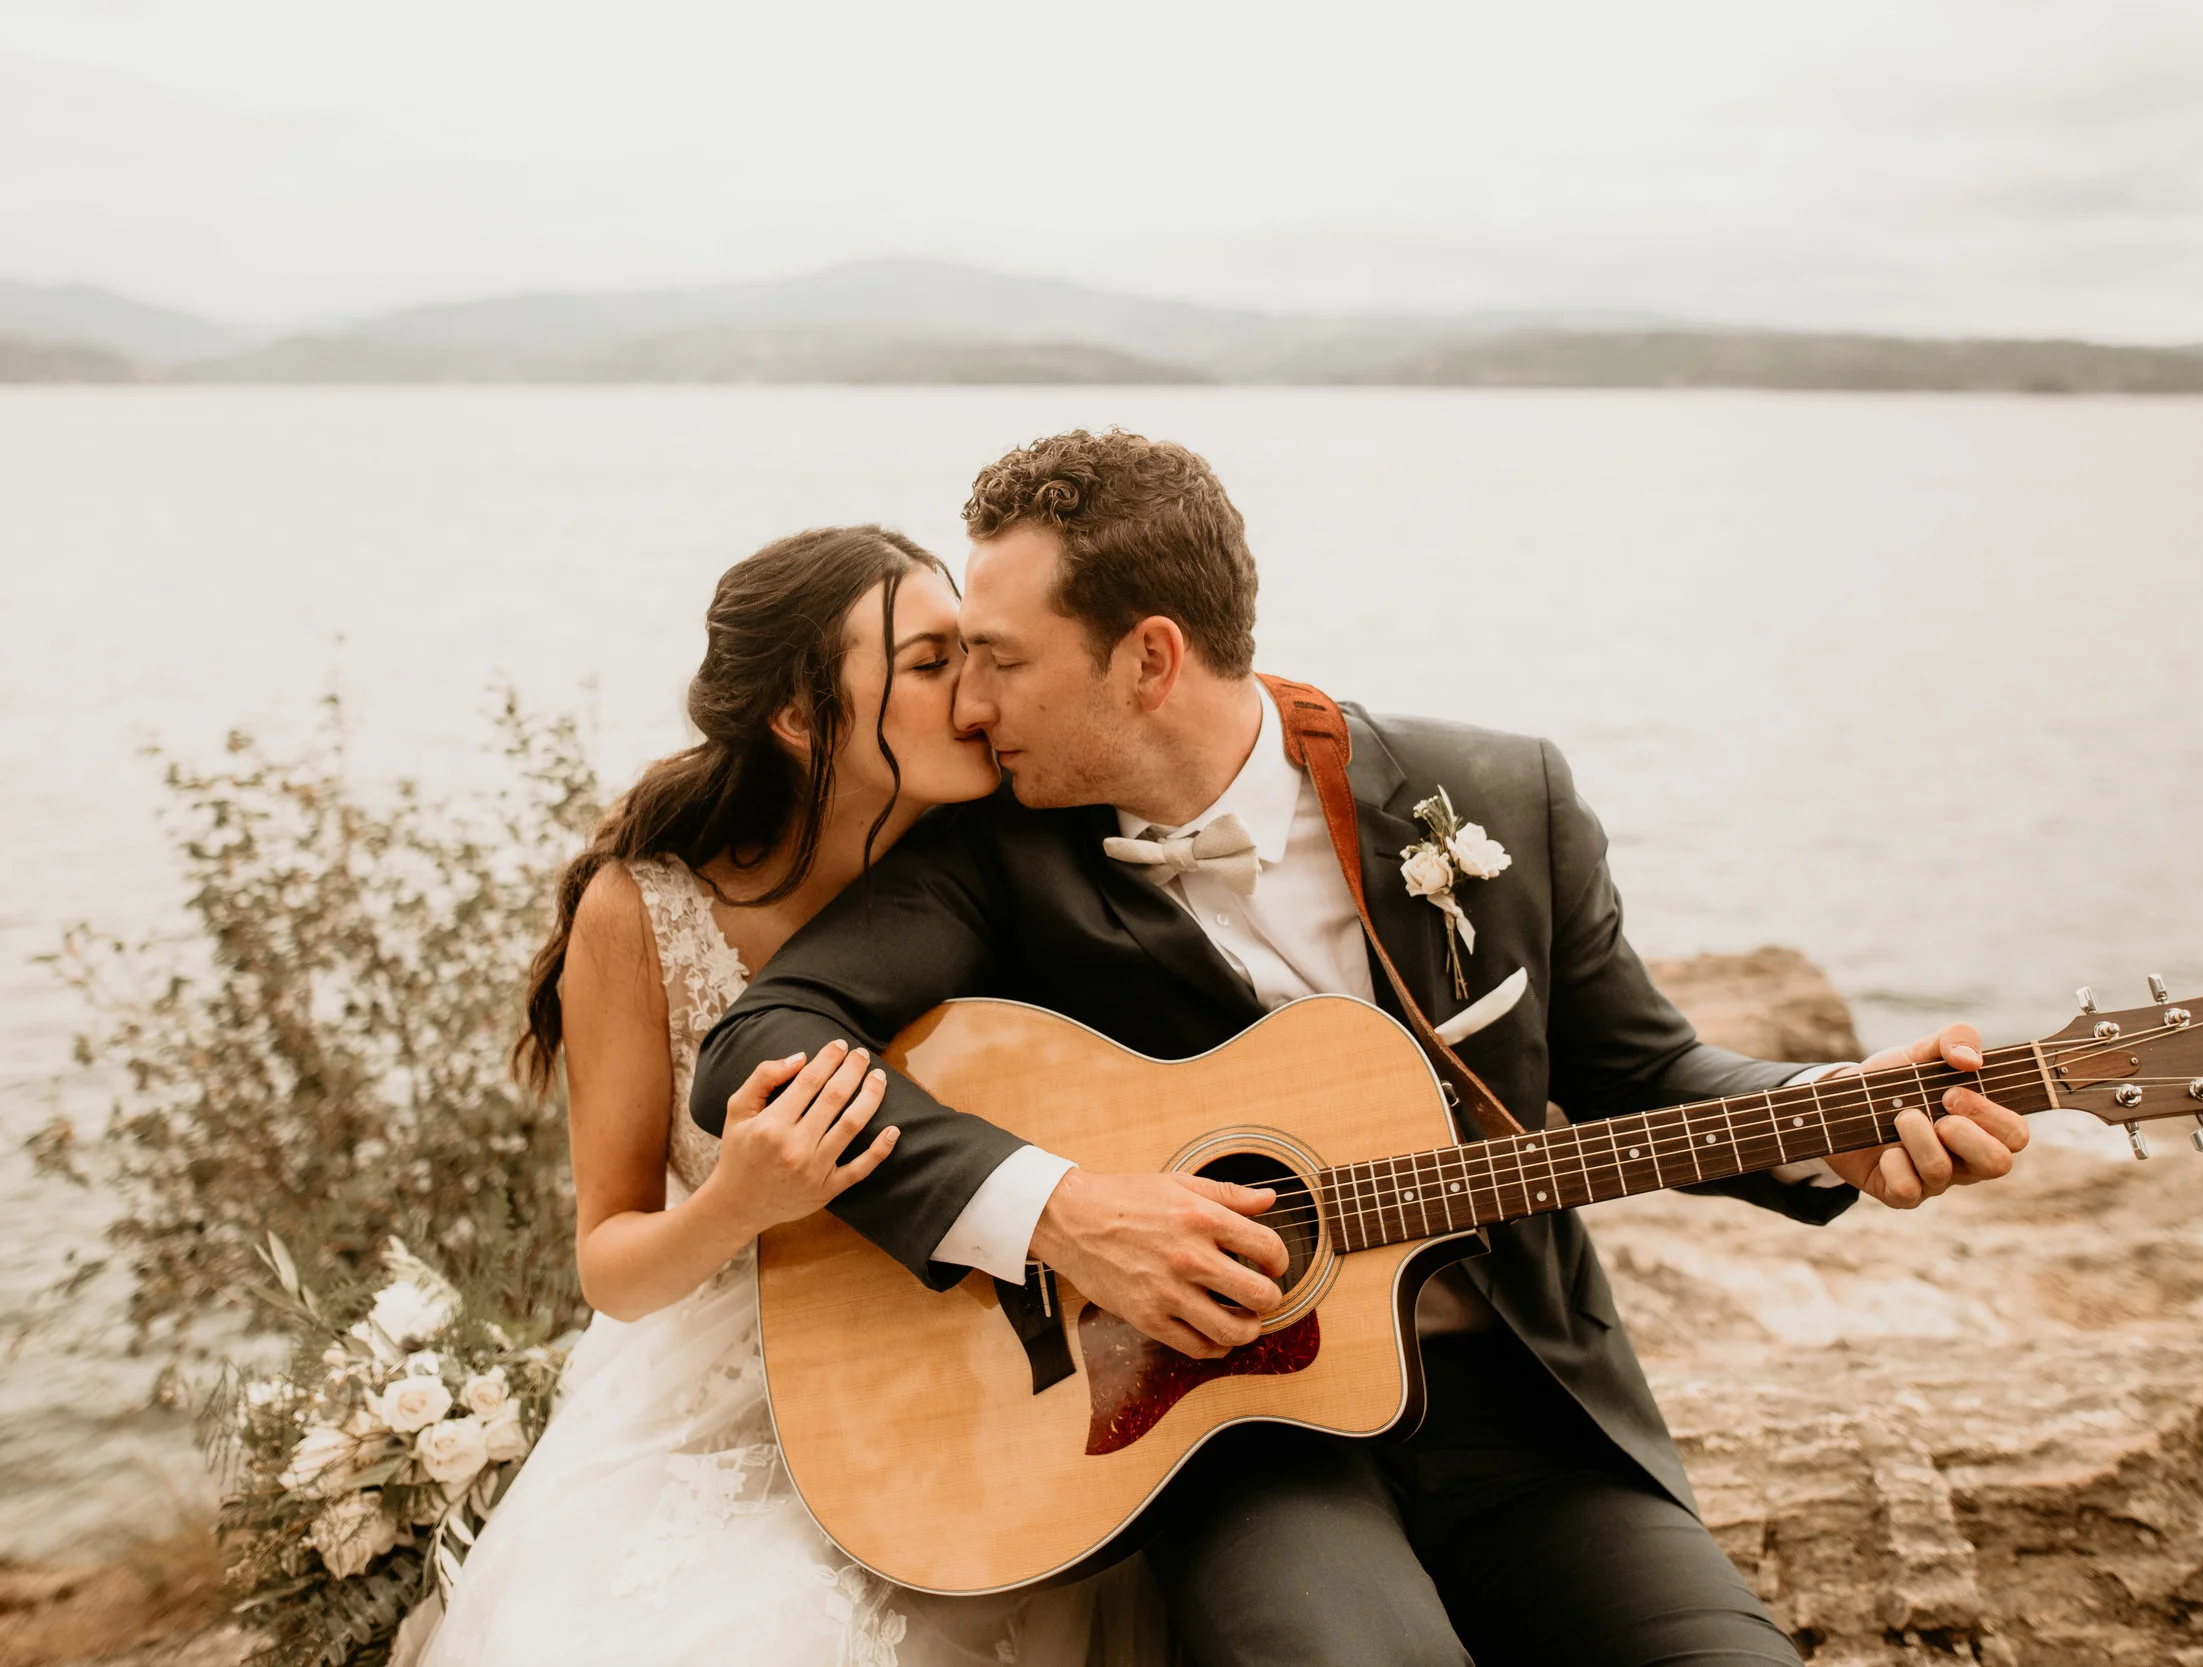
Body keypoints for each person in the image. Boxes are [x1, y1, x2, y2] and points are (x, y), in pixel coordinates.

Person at [691, 431, 2034, 1667]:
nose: (971, 705)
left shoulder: (1501, 798)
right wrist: (1062, 1209)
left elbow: (1648, 1075)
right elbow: (763, 1041)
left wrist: (1822, 1111)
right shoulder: (998, 859)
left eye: (1004, 657)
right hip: (1247, 1437)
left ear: (1149, 658)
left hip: (1530, 1416)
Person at [409, 525, 1165, 1667]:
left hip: (990, 1353)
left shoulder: (1016, 849)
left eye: (972, 650)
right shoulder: (642, 912)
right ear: (801, 719)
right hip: (732, 1384)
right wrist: (737, 1201)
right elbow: (609, 1260)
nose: (972, 694)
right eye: (924, 664)